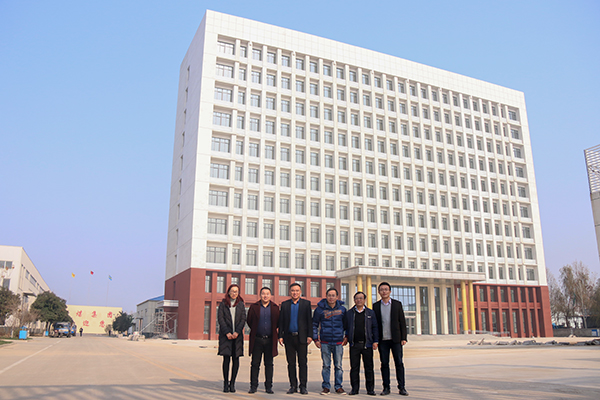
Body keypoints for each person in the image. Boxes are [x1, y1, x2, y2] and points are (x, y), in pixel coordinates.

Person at [373, 282, 408, 396]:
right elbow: (375, 324)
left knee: (399, 363)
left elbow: (402, 321)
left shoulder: (397, 304)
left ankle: (402, 387)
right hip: (383, 340)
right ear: (378, 292)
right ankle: (386, 387)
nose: (384, 291)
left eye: (386, 289)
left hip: (396, 339)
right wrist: (375, 339)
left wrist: (403, 337)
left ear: (390, 291)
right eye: (382, 289)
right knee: (384, 364)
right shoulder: (376, 306)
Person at [278, 282, 313, 394]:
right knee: (291, 363)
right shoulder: (285, 304)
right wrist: (280, 336)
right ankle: (293, 385)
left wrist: (310, 335)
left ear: (300, 292)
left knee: (303, 363)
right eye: (293, 290)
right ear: (289, 292)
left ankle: (303, 386)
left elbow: (309, 321)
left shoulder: (306, 304)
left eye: (297, 291)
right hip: (289, 338)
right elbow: (281, 321)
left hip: (302, 338)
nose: (295, 292)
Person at [313, 287, 348, 395]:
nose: (331, 297)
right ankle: (326, 387)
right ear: (326, 296)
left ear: (337, 297)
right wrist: (316, 339)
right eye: (329, 295)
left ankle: (338, 387)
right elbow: (314, 324)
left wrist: (346, 336)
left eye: (333, 295)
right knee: (326, 366)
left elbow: (347, 325)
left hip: (338, 342)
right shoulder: (320, 309)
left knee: (338, 366)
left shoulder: (342, 309)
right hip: (325, 342)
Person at [247, 287, 280, 394]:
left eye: (267, 293)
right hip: (257, 339)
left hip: (270, 340)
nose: (265, 296)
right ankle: (253, 386)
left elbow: (278, 322)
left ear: (270, 295)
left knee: (269, 364)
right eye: (263, 293)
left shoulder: (275, 308)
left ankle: (268, 386)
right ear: (260, 295)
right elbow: (249, 321)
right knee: (255, 364)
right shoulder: (254, 307)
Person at [346, 292, 379, 396]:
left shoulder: (370, 313)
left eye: (361, 298)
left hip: (367, 344)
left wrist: (375, 341)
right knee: (354, 368)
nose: (359, 300)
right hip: (354, 345)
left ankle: (370, 389)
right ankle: (354, 389)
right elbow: (346, 327)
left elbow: (375, 328)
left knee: (369, 368)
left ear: (365, 299)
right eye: (356, 298)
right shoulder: (349, 313)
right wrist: (346, 337)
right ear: (354, 300)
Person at [217, 284, 247, 393]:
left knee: (236, 359)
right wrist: (227, 332)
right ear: (228, 292)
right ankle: (225, 383)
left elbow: (243, 319)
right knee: (226, 360)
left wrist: (237, 332)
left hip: (237, 337)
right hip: (226, 337)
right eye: (232, 291)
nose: (234, 293)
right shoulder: (223, 304)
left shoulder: (241, 305)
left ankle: (232, 383)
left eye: (236, 291)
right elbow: (220, 319)